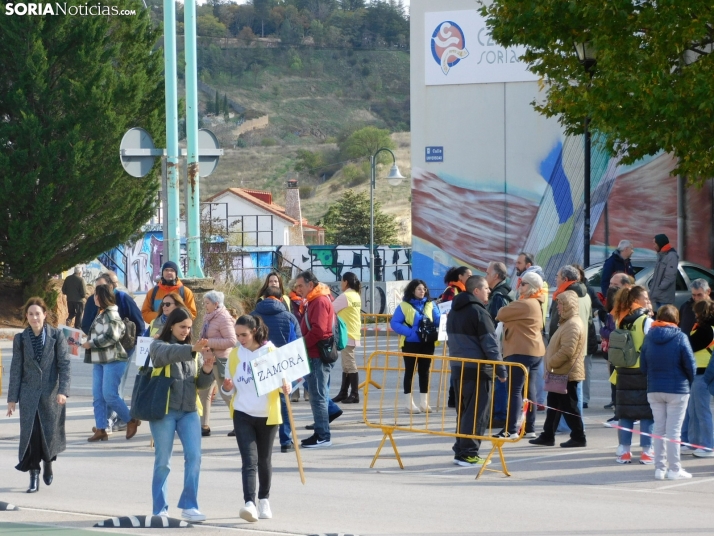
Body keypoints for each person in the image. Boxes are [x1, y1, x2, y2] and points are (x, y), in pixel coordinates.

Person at [221, 314, 291, 522]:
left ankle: (264, 500)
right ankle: (249, 503)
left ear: (255, 332)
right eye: (237, 335)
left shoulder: (271, 352)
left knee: (264, 460)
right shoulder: (234, 355)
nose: (240, 339)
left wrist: (285, 386)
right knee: (248, 460)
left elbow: (284, 384)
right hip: (242, 413)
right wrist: (226, 388)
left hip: (267, 415)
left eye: (244, 334)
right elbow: (228, 389)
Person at [148, 307, 213, 521]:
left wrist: (207, 370)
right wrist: (192, 350)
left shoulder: (193, 351)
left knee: (194, 457)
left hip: (188, 412)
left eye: (188, 327)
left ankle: (189, 505)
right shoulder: (158, 345)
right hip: (164, 411)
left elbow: (201, 385)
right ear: (171, 326)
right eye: (182, 327)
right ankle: (160, 509)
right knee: (163, 461)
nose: (186, 331)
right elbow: (166, 356)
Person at [7, 298, 71, 493]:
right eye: (30, 314)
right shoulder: (21, 339)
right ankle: (33, 475)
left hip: (51, 394)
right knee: (32, 436)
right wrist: (12, 399)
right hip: (28, 395)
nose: (34, 317)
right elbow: (16, 369)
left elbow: (64, 365)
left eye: (38, 313)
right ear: (26, 317)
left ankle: (49, 463)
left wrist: (63, 391)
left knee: (48, 435)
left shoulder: (56, 336)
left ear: (44, 314)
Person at [446, 275, 507, 466]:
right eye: (486, 288)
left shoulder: (455, 310)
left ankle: (461, 450)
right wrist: (501, 370)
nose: (489, 291)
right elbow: (490, 344)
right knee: (477, 413)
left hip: (458, 367)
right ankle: (469, 453)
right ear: (476, 291)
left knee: (464, 412)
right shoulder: (479, 312)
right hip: (478, 369)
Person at [82, 272, 144, 431]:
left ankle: (128, 419)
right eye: (95, 290)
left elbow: (114, 334)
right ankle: (102, 427)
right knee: (99, 395)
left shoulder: (115, 310)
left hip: (117, 355)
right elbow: (86, 325)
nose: (95, 294)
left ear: (109, 289)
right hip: (99, 356)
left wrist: (92, 343)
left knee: (111, 393)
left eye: (100, 289)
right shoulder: (97, 307)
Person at [639, 305, 696, 480]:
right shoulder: (680, 337)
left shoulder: (649, 337)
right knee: (673, 432)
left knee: (659, 430)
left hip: (655, 389)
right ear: (676, 320)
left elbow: (643, 367)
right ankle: (674, 469)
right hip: (677, 389)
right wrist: (688, 381)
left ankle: (659, 468)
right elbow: (690, 365)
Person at [530, 292, 587, 448]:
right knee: (554, 405)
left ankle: (579, 436)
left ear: (568, 305)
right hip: (561, 372)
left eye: (560, 304)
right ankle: (548, 435)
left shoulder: (573, 324)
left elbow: (568, 350)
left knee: (569, 406)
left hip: (567, 373)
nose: (558, 307)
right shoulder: (568, 322)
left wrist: (551, 362)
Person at [495, 271, 546, 439]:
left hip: (521, 351)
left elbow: (501, 314)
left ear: (530, 287)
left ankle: (510, 429)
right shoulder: (535, 302)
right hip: (533, 351)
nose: (519, 286)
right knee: (528, 390)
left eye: (522, 284)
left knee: (515, 390)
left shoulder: (525, 303)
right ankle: (528, 427)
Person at [251, 286, 301, 453]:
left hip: (259, 363)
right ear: (281, 299)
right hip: (282, 363)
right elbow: (296, 342)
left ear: (264, 297)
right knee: (283, 403)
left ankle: (258, 441)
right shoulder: (289, 317)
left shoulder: (252, 316)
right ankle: (286, 440)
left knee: (260, 403)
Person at [610, 286, 655, 464]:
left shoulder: (620, 320)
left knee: (625, 412)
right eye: (645, 297)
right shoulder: (645, 321)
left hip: (623, 369)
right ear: (636, 300)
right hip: (642, 370)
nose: (647, 300)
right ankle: (646, 451)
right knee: (646, 413)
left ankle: (624, 451)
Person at [295, 271, 339, 448]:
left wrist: (301, 343)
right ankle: (320, 432)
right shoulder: (315, 299)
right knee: (317, 396)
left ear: (310, 285)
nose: (298, 289)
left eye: (300, 286)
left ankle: (322, 435)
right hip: (314, 353)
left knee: (318, 396)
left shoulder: (319, 300)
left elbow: (319, 331)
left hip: (317, 355)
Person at [390, 279, 442, 413]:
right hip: (410, 343)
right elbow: (395, 323)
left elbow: (438, 320)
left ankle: (424, 403)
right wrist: (409, 332)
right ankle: (409, 403)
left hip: (427, 343)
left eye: (424, 289)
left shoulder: (431, 304)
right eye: (419, 289)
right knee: (410, 372)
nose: (422, 291)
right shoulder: (404, 305)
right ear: (413, 290)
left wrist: (444, 322)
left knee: (424, 372)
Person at [197, 291, 237, 437]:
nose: (205, 305)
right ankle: (204, 425)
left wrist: (209, 342)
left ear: (216, 304)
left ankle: (239, 424)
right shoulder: (208, 317)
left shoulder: (224, 317)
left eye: (207, 303)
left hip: (221, 360)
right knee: (204, 393)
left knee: (226, 394)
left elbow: (232, 340)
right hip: (208, 359)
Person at [574, 264, 607, 409]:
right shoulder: (566, 291)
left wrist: (590, 312)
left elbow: (599, 307)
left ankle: (584, 398)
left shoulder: (588, 290)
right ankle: (575, 396)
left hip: (587, 334)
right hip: (574, 334)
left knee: (586, 368)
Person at [684, 299, 714, 458]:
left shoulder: (706, 330)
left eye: (696, 313)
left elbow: (690, 346)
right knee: (694, 410)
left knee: (702, 411)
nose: (694, 315)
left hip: (702, 373)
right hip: (699, 373)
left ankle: (708, 445)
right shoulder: (705, 329)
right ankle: (694, 442)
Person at [486, 261, 513, 426]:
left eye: (488, 273)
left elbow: (499, 322)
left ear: (496, 276)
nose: (485, 276)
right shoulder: (502, 292)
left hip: (500, 344)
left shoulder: (499, 295)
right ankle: (499, 413)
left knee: (500, 379)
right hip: (503, 343)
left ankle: (499, 415)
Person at [331, 272, 363, 404]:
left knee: (349, 364)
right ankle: (343, 392)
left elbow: (330, 309)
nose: (340, 283)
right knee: (346, 365)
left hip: (347, 334)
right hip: (353, 332)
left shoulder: (345, 296)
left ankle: (354, 394)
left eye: (341, 281)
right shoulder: (356, 295)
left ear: (346, 282)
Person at [649, 234, 679, 309]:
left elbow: (670, 276)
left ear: (660, 243)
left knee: (664, 318)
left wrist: (660, 287)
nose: (654, 246)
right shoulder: (661, 255)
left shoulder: (671, 256)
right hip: (659, 296)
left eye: (655, 243)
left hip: (665, 298)